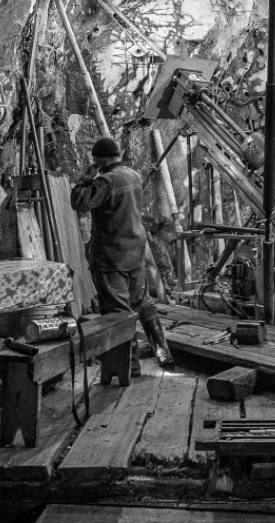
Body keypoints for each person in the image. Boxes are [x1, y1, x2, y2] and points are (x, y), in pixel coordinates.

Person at [71, 137, 172, 374]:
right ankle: (163, 352)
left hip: (111, 257)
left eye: (95, 160)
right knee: (143, 303)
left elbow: (80, 202)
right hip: (135, 252)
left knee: (117, 313)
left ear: (101, 159)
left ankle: (129, 366)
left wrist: (85, 178)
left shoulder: (106, 180)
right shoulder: (133, 175)